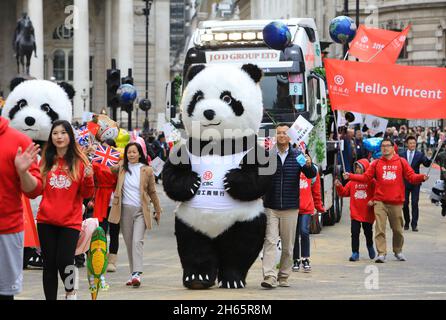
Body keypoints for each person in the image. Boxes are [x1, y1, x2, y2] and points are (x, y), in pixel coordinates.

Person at [343, 138, 428, 263]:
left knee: (398, 230)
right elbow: (366, 177)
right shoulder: (376, 163)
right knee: (380, 228)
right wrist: (351, 176)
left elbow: (411, 176)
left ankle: (398, 251)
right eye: (382, 146)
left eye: (387, 145)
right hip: (380, 201)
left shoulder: (401, 161)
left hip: (396, 201)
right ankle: (381, 253)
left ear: (393, 147)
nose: (385, 148)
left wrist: (421, 177)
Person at [36, 120, 95, 300]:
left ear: (70, 136)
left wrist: (88, 177)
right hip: (46, 220)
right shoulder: (46, 161)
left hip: (70, 221)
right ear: (51, 136)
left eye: (63, 133)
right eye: (55, 133)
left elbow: (86, 193)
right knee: (49, 266)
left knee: (65, 261)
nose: (59, 137)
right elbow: (37, 188)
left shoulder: (80, 161)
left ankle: (70, 293)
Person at [261, 124, 316, 288]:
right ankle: (269, 277)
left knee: (288, 246)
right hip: (271, 206)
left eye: (284, 133)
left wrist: (309, 164)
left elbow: (311, 174)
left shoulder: (298, 155)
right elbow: (260, 177)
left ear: (290, 136)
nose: (281, 136)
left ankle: (283, 276)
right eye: (278, 133)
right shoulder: (268, 156)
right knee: (270, 242)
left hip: (291, 207)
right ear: (274, 136)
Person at [108, 142, 162, 288]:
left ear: (139, 154)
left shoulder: (147, 170)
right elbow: (109, 169)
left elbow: (152, 191)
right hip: (124, 210)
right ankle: (133, 274)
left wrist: (157, 209)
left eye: (134, 152)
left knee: (137, 241)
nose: (131, 154)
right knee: (129, 243)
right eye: (129, 152)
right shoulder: (121, 168)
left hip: (141, 211)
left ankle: (137, 273)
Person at [0, 116, 42, 300]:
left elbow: (34, 190)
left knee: (4, 293)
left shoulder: (19, 141)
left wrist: (22, 172)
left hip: (6, 231)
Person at [336, 159, 376, 261]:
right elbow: (344, 193)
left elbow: (377, 193)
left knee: (368, 232)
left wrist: (372, 200)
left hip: (367, 212)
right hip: (355, 212)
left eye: (360, 168)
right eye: (356, 168)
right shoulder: (352, 182)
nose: (357, 170)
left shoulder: (371, 181)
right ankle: (355, 252)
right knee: (354, 232)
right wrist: (339, 186)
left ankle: (370, 246)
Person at [90, 139, 120, 272]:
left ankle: (112, 260)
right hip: (101, 196)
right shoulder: (95, 163)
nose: (105, 149)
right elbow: (93, 181)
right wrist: (92, 198)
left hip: (114, 198)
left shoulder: (119, 162)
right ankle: (100, 257)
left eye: (108, 147)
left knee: (114, 230)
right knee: (100, 230)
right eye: (103, 147)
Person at [292, 165, 325, 272]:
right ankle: (295, 259)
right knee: (294, 235)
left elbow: (316, 190)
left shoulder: (312, 169)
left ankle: (305, 258)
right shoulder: (291, 165)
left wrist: (319, 206)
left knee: (304, 231)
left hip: (306, 208)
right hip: (293, 208)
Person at [400, 136, 432, 231]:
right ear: (407, 144)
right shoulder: (401, 155)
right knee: (405, 204)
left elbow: (427, 164)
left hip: (416, 183)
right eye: (410, 143)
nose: (412, 145)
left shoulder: (419, 154)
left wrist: (429, 157)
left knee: (414, 203)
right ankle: (407, 222)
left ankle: (414, 224)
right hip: (405, 182)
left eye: (414, 143)